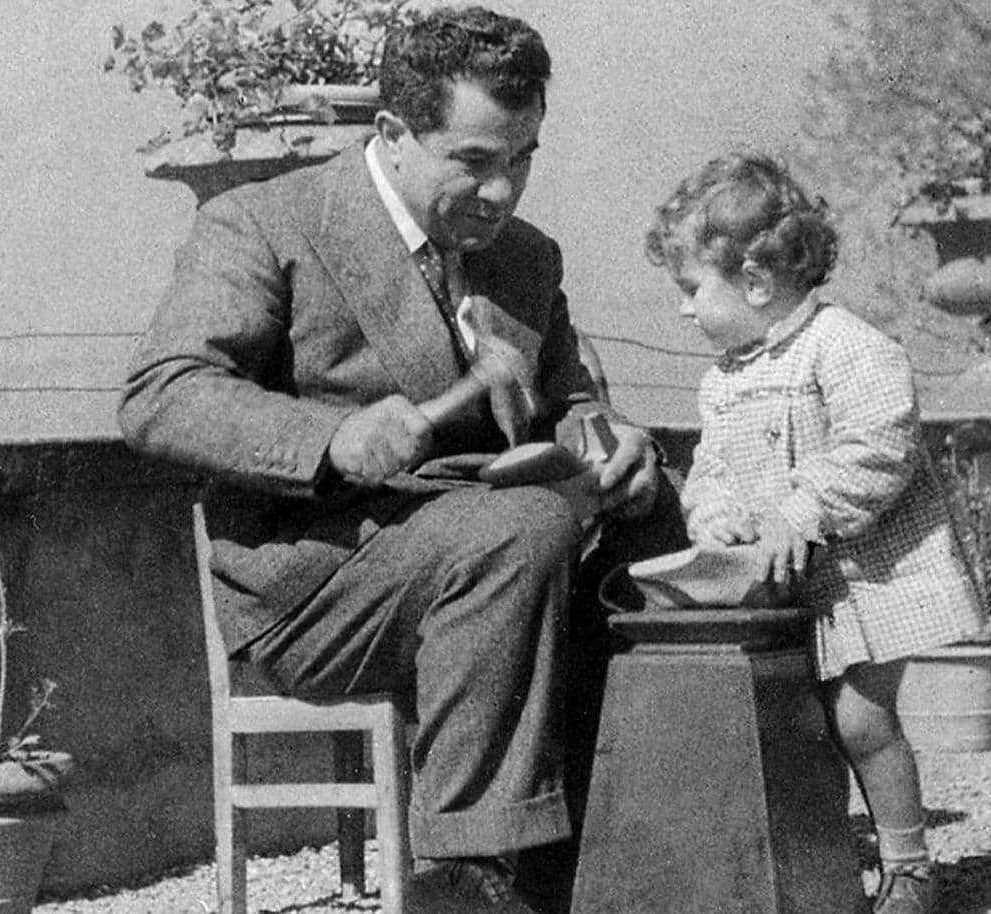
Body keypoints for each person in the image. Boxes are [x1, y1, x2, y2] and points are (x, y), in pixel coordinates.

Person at [120, 6, 685, 912]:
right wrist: (327, 439)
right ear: (393, 132)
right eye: (473, 161)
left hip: (483, 550)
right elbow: (161, 395)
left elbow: (570, 397)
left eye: (524, 157)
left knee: (652, 511)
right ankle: (473, 878)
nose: (503, 193)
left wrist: (606, 442)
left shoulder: (527, 259)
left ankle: (625, 842)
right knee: (523, 530)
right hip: (314, 584)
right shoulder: (263, 224)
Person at [643, 151, 984, 914]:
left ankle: (910, 868)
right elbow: (715, 468)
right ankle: (819, 866)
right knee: (802, 721)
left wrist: (804, 507)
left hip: (869, 579)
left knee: (861, 719)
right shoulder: (724, 379)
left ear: (756, 283)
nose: (684, 311)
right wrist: (714, 511)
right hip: (797, 588)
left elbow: (880, 444)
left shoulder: (848, 346)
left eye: (692, 290)